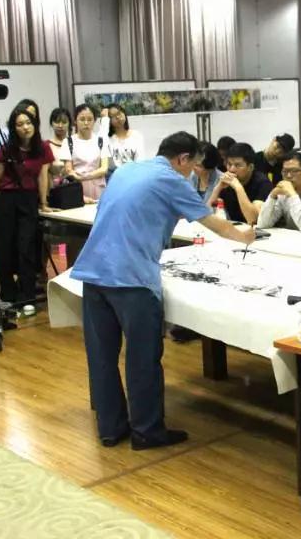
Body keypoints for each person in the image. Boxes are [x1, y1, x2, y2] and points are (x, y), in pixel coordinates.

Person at [70, 131, 255, 450]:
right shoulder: (171, 180)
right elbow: (213, 223)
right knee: (142, 358)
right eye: (192, 165)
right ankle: (147, 431)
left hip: (94, 270)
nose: (193, 172)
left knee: (102, 357)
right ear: (182, 159)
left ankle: (110, 428)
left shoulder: (127, 170)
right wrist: (246, 237)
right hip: (132, 277)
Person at [0, 107, 54, 314]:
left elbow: (42, 176)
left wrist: (43, 203)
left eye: (28, 123)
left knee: (26, 246)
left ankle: (27, 296)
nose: (25, 127)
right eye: (19, 124)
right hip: (7, 198)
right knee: (4, 247)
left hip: (29, 199)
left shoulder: (43, 147)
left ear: (34, 125)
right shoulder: (7, 148)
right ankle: (8, 294)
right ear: (13, 128)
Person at [208, 142, 273, 224]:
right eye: (229, 164)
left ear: (250, 167)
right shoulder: (226, 183)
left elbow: (253, 219)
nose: (231, 169)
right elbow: (207, 214)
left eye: (238, 165)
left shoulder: (263, 183)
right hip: (235, 227)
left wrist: (238, 188)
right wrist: (218, 188)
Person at [57, 105, 110, 202]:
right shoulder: (68, 142)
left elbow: (104, 168)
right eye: (82, 119)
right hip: (77, 188)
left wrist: (84, 176)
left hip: (99, 188)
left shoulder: (101, 141)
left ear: (94, 121)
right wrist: (80, 177)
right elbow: (69, 170)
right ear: (75, 121)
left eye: (90, 119)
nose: (86, 123)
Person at [105, 104, 144, 172]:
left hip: (135, 173)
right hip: (115, 175)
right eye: (113, 116)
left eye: (119, 113)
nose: (117, 117)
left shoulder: (136, 135)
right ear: (109, 120)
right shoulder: (107, 139)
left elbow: (140, 160)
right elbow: (109, 165)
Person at [47, 107, 72, 180]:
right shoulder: (46, 145)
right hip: (53, 185)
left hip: (74, 184)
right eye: (57, 122)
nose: (60, 125)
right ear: (51, 123)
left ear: (69, 124)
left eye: (64, 122)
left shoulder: (75, 143)